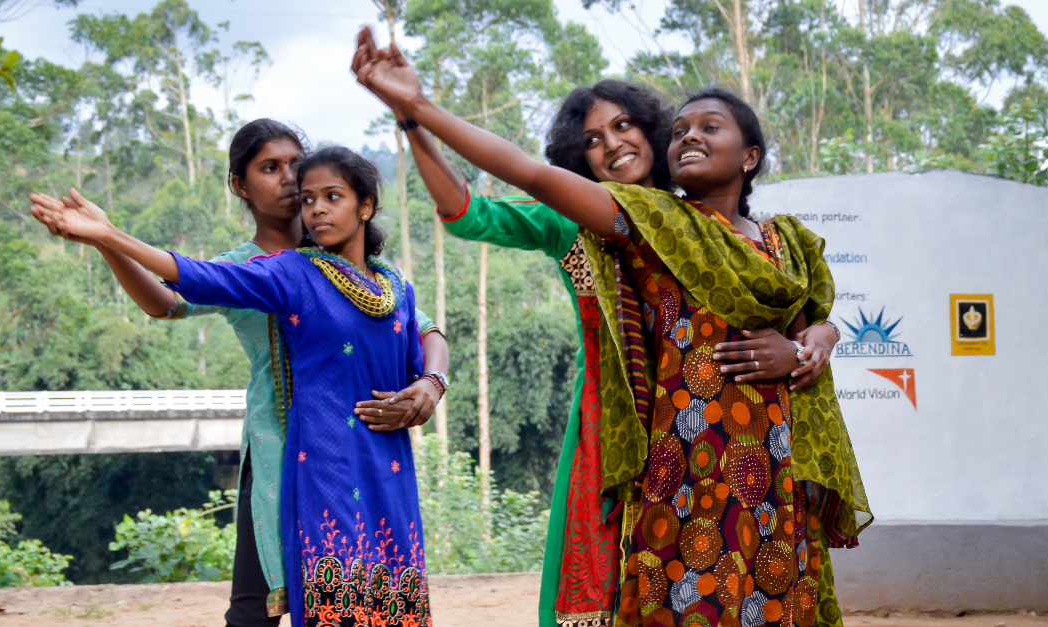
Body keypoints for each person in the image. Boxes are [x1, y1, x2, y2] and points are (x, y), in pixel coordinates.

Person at [354, 33, 870, 627]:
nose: (614, 144)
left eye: (625, 126)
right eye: (593, 139)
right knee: (653, 586)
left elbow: (798, 313)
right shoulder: (610, 219)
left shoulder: (752, 233)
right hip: (643, 434)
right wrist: (416, 116)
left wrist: (816, 339)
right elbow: (490, 196)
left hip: (759, 448)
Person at [31, 145, 440, 627]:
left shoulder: (393, 285)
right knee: (290, 602)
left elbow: (423, 338)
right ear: (241, 186)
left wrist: (430, 385)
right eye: (307, 195)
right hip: (307, 456)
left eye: (330, 195)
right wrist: (110, 237)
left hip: (384, 461)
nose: (310, 202)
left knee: (391, 596)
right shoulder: (289, 272)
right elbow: (186, 285)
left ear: (365, 205)